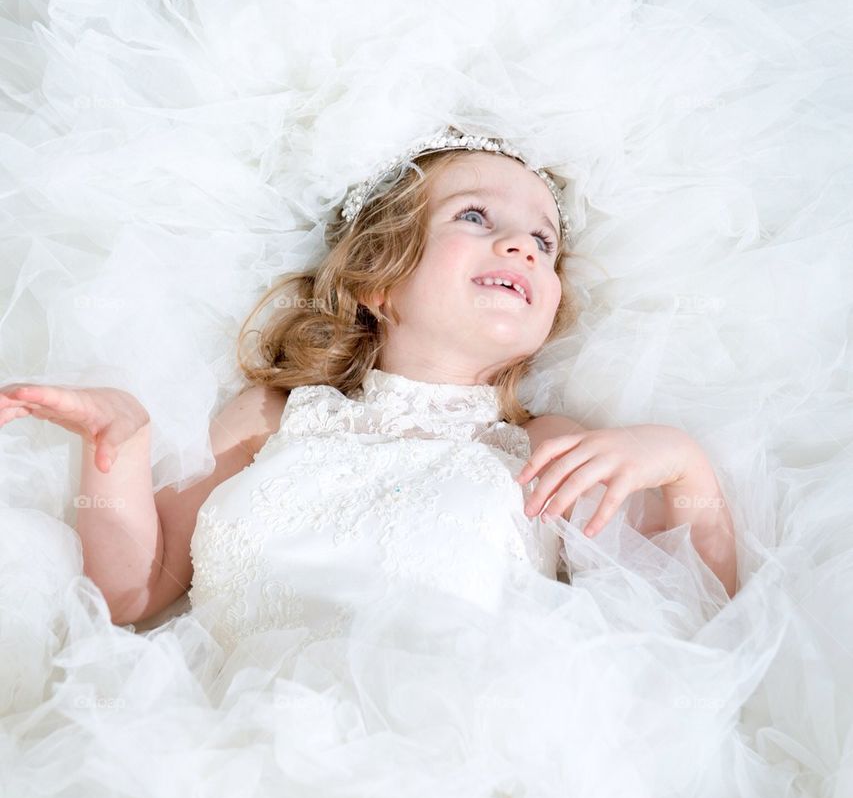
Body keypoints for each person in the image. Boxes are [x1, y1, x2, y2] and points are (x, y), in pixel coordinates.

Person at [0, 127, 738, 646]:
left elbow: (685, 633)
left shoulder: (545, 447)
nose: (519, 244)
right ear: (379, 280)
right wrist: (118, 449)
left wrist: (683, 467)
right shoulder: (270, 419)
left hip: (457, 749)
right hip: (238, 744)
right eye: (475, 216)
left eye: (543, 242)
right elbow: (130, 595)